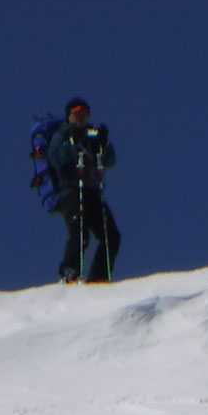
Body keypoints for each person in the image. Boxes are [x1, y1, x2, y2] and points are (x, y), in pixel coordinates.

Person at [46, 98, 120, 283]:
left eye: (84, 113)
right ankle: (69, 272)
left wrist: (102, 144)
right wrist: (73, 146)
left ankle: (99, 278)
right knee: (79, 232)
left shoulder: (93, 136)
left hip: (93, 191)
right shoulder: (61, 135)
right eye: (76, 113)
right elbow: (56, 158)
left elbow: (110, 160)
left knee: (111, 235)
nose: (80, 117)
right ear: (68, 116)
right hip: (71, 191)